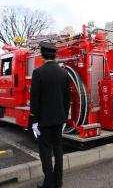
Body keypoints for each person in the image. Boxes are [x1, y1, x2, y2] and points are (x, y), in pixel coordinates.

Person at [30, 41, 70, 188]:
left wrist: (34, 119)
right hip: (59, 120)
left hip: (44, 121)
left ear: (42, 55)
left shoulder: (38, 72)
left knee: (45, 152)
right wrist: (65, 117)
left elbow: (35, 99)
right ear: (55, 55)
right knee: (58, 151)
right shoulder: (64, 73)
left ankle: (49, 184)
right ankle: (58, 182)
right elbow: (67, 99)